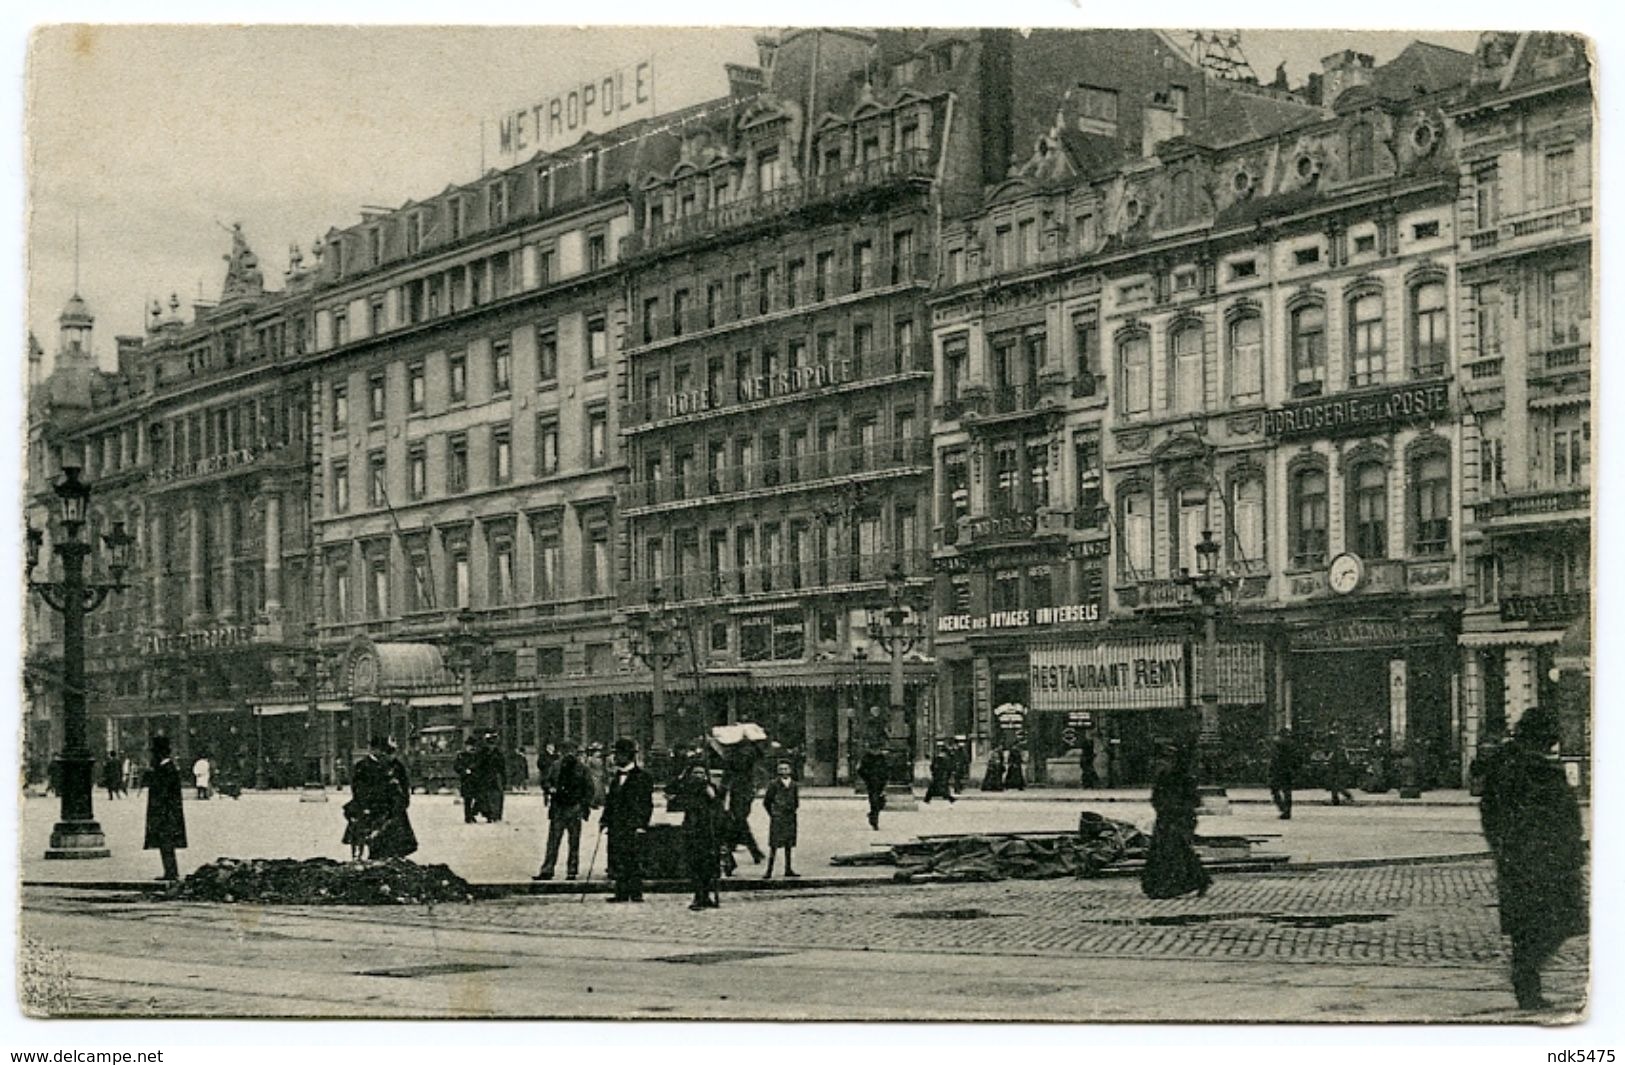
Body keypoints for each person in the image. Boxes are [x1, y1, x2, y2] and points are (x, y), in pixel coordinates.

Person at [1480, 707, 1586, 1010]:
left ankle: (1527, 983)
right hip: (1535, 860)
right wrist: (1510, 847)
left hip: (1543, 859)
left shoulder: (1523, 763)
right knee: (1548, 923)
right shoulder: (1517, 766)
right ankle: (1526, 982)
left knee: (1538, 925)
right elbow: (1496, 813)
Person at [1141, 744, 1211, 900]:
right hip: (1165, 819)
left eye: (1167, 760)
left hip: (1181, 819)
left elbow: (1194, 800)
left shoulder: (1185, 778)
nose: (1163, 764)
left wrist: (1177, 808)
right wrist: (1162, 807)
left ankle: (1173, 885)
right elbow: (1155, 797)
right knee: (1171, 851)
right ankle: (1197, 880)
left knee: (1176, 851)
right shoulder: (1162, 777)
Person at [601, 738, 653, 903]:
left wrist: (641, 824)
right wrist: (604, 819)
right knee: (618, 857)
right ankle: (621, 892)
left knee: (634, 858)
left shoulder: (643, 777)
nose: (615, 758)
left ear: (628, 756)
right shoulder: (617, 776)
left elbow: (646, 804)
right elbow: (611, 801)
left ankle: (636, 892)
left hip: (632, 825)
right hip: (617, 825)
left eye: (618, 754)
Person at [534, 743, 594, 880]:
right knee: (553, 841)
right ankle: (547, 869)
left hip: (574, 807)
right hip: (558, 808)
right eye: (565, 751)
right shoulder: (555, 766)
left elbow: (589, 789)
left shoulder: (582, 768)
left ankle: (572, 870)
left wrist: (584, 805)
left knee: (573, 841)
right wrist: (550, 789)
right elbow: (545, 781)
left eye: (571, 751)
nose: (568, 754)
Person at [674, 763, 725, 910]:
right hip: (692, 831)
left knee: (709, 866)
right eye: (695, 773)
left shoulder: (711, 789)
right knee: (694, 865)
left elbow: (718, 808)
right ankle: (698, 896)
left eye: (701, 773)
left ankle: (706, 895)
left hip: (708, 832)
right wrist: (681, 776)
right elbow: (672, 791)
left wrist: (713, 797)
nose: (698, 776)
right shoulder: (687, 788)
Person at [143, 735, 186, 881]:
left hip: (165, 814)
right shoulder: (164, 768)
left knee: (166, 843)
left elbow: (163, 792)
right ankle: (170, 871)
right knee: (165, 844)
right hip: (166, 813)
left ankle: (171, 872)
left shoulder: (166, 769)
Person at [722, 744, 765, 867]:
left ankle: (733, 848)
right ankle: (751, 850)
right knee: (739, 821)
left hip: (740, 791)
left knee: (738, 820)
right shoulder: (751, 751)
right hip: (743, 791)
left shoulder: (734, 755)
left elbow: (727, 775)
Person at [762, 759, 800, 878]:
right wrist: (773, 814)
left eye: (786, 769)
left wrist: (792, 809)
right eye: (781, 769)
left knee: (789, 844)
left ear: (790, 770)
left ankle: (788, 869)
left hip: (789, 817)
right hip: (778, 818)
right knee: (774, 845)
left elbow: (796, 801)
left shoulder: (794, 785)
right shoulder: (773, 784)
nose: (784, 771)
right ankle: (769, 870)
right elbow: (767, 802)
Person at [1268, 728, 1302, 820]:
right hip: (1288, 770)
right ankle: (1287, 810)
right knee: (1287, 791)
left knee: (1274, 789)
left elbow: (1274, 759)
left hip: (1278, 770)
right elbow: (1297, 759)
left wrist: (1271, 769)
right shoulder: (1292, 745)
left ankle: (1282, 808)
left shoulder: (1276, 744)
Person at [856, 742, 890, 831]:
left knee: (880, 802)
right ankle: (874, 820)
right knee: (874, 801)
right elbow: (860, 770)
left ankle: (872, 815)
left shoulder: (881, 758)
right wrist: (867, 778)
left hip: (880, 783)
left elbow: (886, 769)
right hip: (872, 783)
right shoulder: (867, 758)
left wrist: (885, 779)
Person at [476, 733, 507, 822]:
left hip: (494, 777)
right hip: (488, 777)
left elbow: (502, 767)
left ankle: (494, 815)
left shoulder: (497, 753)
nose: (491, 746)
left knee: (495, 797)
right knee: (489, 797)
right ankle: (491, 815)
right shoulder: (484, 753)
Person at [454, 736, 481, 823]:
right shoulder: (461, 756)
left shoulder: (477, 756)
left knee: (480, 798)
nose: (472, 748)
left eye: (473, 746)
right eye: (470, 746)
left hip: (477, 779)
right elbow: (457, 766)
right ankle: (468, 817)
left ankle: (473, 813)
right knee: (468, 800)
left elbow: (481, 765)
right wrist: (464, 771)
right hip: (466, 780)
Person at [1326, 735, 1356, 806]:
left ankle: (1347, 797)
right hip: (1336, 771)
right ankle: (1336, 800)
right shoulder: (1337, 752)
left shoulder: (1340, 752)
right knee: (1334, 786)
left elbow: (1342, 762)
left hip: (1339, 771)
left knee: (1337, 786)